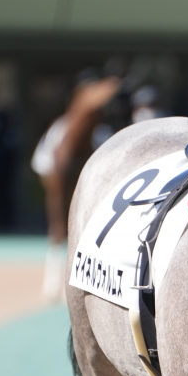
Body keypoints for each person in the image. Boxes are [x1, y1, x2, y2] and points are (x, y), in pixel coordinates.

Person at [31, 69, 120, 301]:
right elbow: (42, 165)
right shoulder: (59, 128)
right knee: (58, 227)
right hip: (53, 173)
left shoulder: (101, 132)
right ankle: (52, 280)